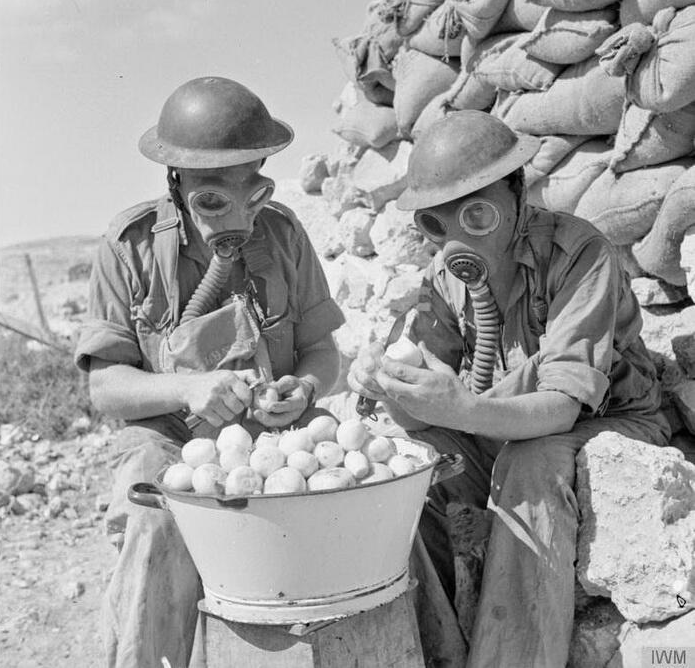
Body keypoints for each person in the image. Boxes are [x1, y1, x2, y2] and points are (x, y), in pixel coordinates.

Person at [348, 110, 670, 668]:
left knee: (531, 463)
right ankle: (431, 651)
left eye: (477, 214)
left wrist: (462, 408)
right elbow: (431, 398)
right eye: (436, 224)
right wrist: (386, 382)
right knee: (408, 474)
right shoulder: (445, 277)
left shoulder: (579, 254)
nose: (457, 238)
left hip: (602, 421)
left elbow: (562, 407)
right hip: (497, 423)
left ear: (517, 192)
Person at [74, 76, 344, 668]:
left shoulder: (285, 235)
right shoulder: (130, 247)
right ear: (177, 184)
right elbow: (105, 387)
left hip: (276, 437)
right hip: (169, 436)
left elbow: (324, 351)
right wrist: (189, 388)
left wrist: (305, 387)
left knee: (359, 505)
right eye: (213, 194)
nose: (238, 209)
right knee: (153, 518)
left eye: (254, 186)